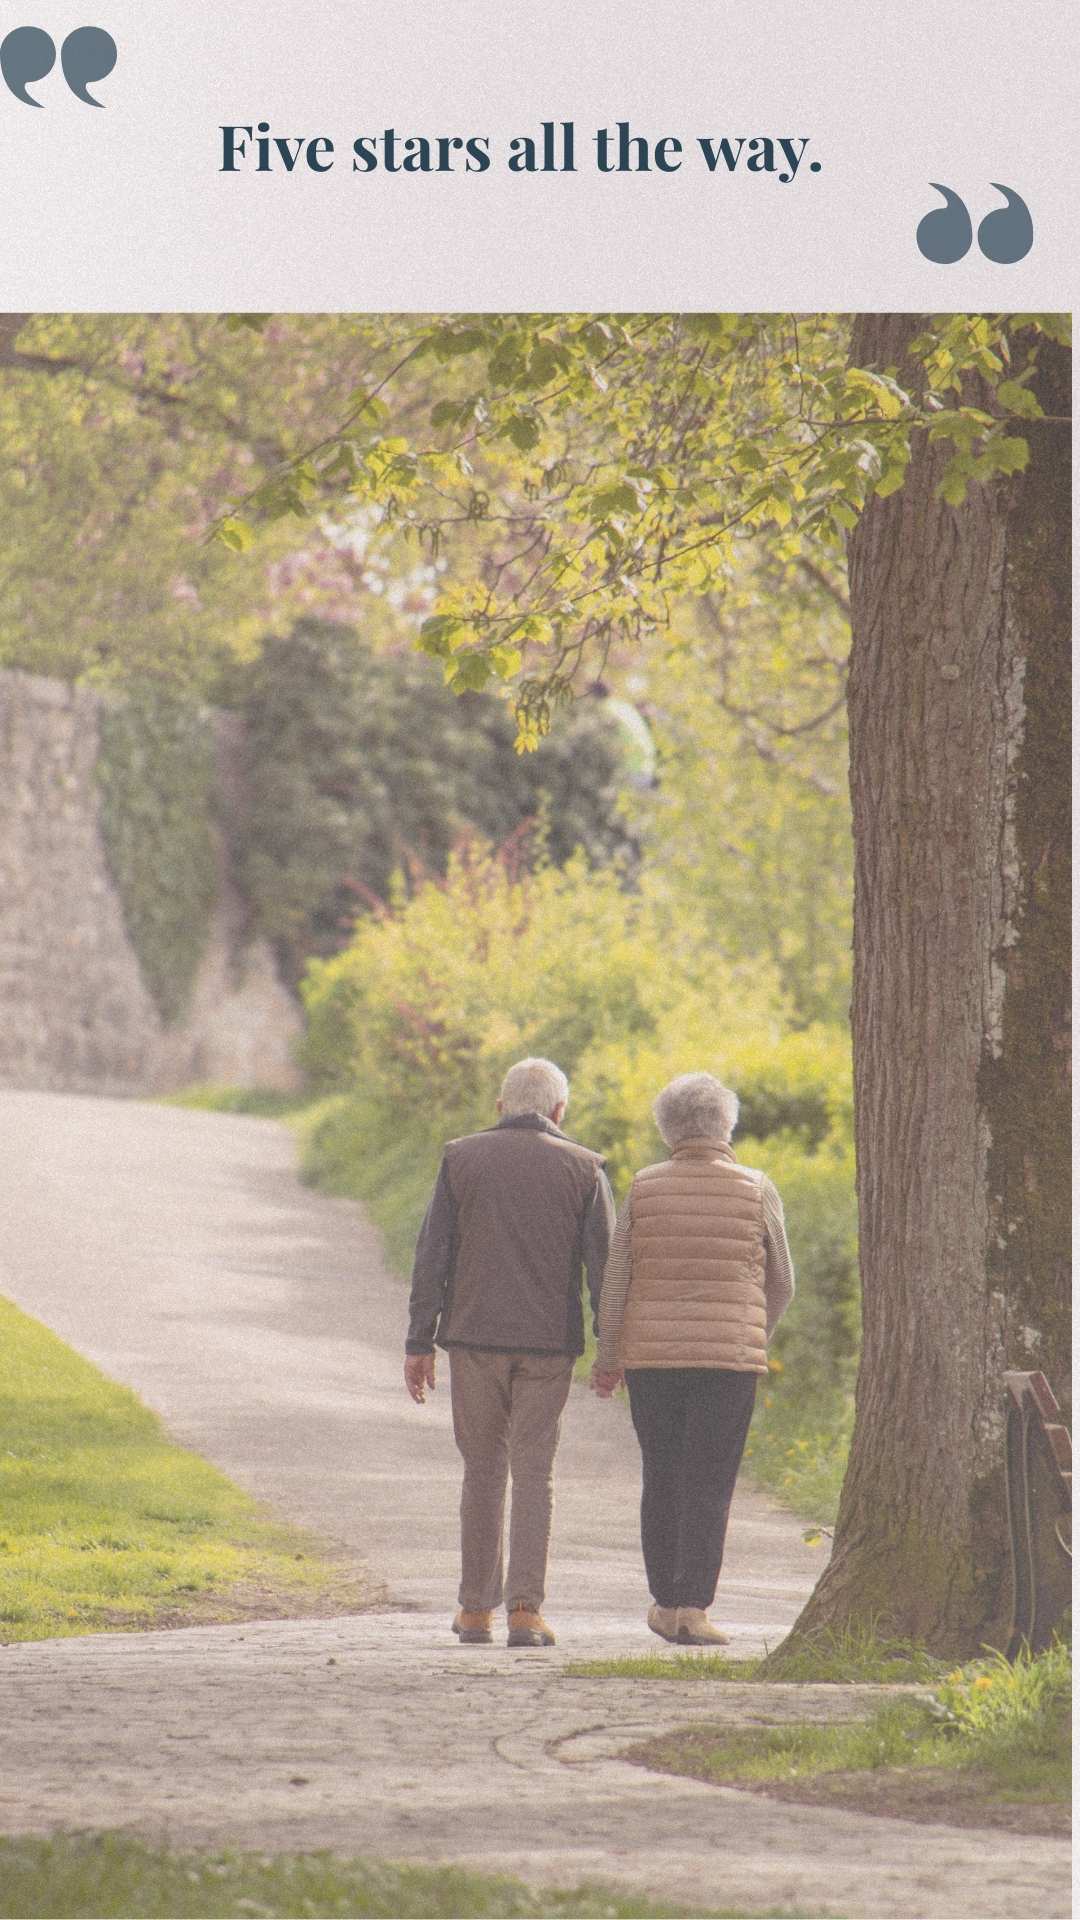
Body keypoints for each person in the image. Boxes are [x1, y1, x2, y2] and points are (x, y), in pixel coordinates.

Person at [404, 1057, 615, 1648]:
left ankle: (475, 1610)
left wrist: (419, 1340)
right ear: (558, 1112)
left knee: (482, 1470)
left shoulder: (460, 1159)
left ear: (500, 1107)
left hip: (472, 1339)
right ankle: (525, 1610)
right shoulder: (585, 1167)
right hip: (549, 1346)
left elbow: (433, 1254)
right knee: (534, 1473)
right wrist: (611, 1347)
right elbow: (606, 1271)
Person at [591, 1072, 794, 1647]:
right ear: (726, 1125)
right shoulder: (758, 1188)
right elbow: (782, 1280)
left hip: (652, 1361)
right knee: (711, 1480)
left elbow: (617, 1279)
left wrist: (609, 1354)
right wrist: (752, 1331)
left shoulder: (645, 1188)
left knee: (663, 1474)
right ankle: (694, 1609)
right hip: (729, 1363)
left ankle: (664, 1602)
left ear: (667, 1129)